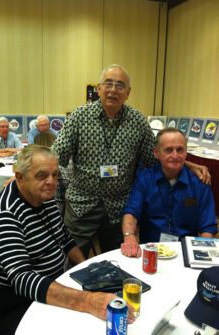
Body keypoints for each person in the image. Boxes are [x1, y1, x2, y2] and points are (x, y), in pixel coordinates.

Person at [0, 145, 135, 335]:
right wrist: (88, 300)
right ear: (20, 178)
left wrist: (90, 271)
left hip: (49, 283)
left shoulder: (43, 197)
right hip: (8, 302)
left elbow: (65, 238)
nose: (51, 182)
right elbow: (23, 279)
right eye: (41, 175)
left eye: (55, 174)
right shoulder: (5, 215)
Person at [53, 64, 210, 258]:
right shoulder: (79, 117)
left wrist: (187, 164)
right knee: (70, 258)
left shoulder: (137, 121)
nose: (113, 90)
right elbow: (56, 156)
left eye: (120, 86)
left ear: (128, 93)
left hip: (118, 207)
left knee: (117, 260)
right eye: (108, 84)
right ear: (99, 88)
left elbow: (158, 155)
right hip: (81, 205)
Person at [121, 128, 217, 258]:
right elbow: (131, 211)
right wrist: (129, 237)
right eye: (168, 150)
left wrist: (202, 255)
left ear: (186, 152)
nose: (175, 156)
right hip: (150, 250)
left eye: (180, 150)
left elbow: (207, 227)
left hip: (185, 252)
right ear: (156, 152)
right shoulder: (144, 179)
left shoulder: (200, 183)